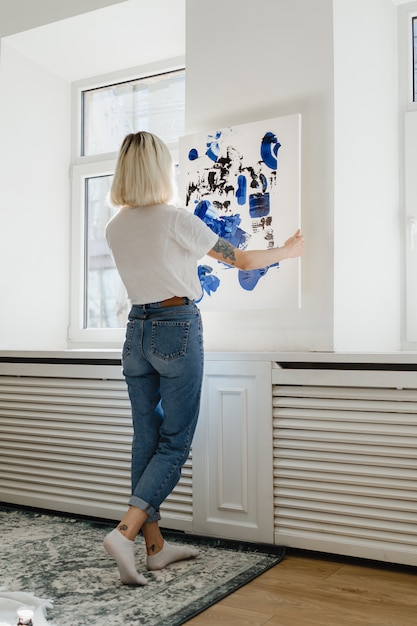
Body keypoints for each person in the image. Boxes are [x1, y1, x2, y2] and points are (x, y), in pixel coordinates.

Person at [103, 131, 304, 586]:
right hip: (176, 326)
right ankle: (125, 531)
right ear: (160, 169)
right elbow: (245, 260)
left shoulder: (116, 226)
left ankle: (155, 549)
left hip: (135, 332)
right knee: (174, 440)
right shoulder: (175, 218)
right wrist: (289, 250)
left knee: (145, 439)